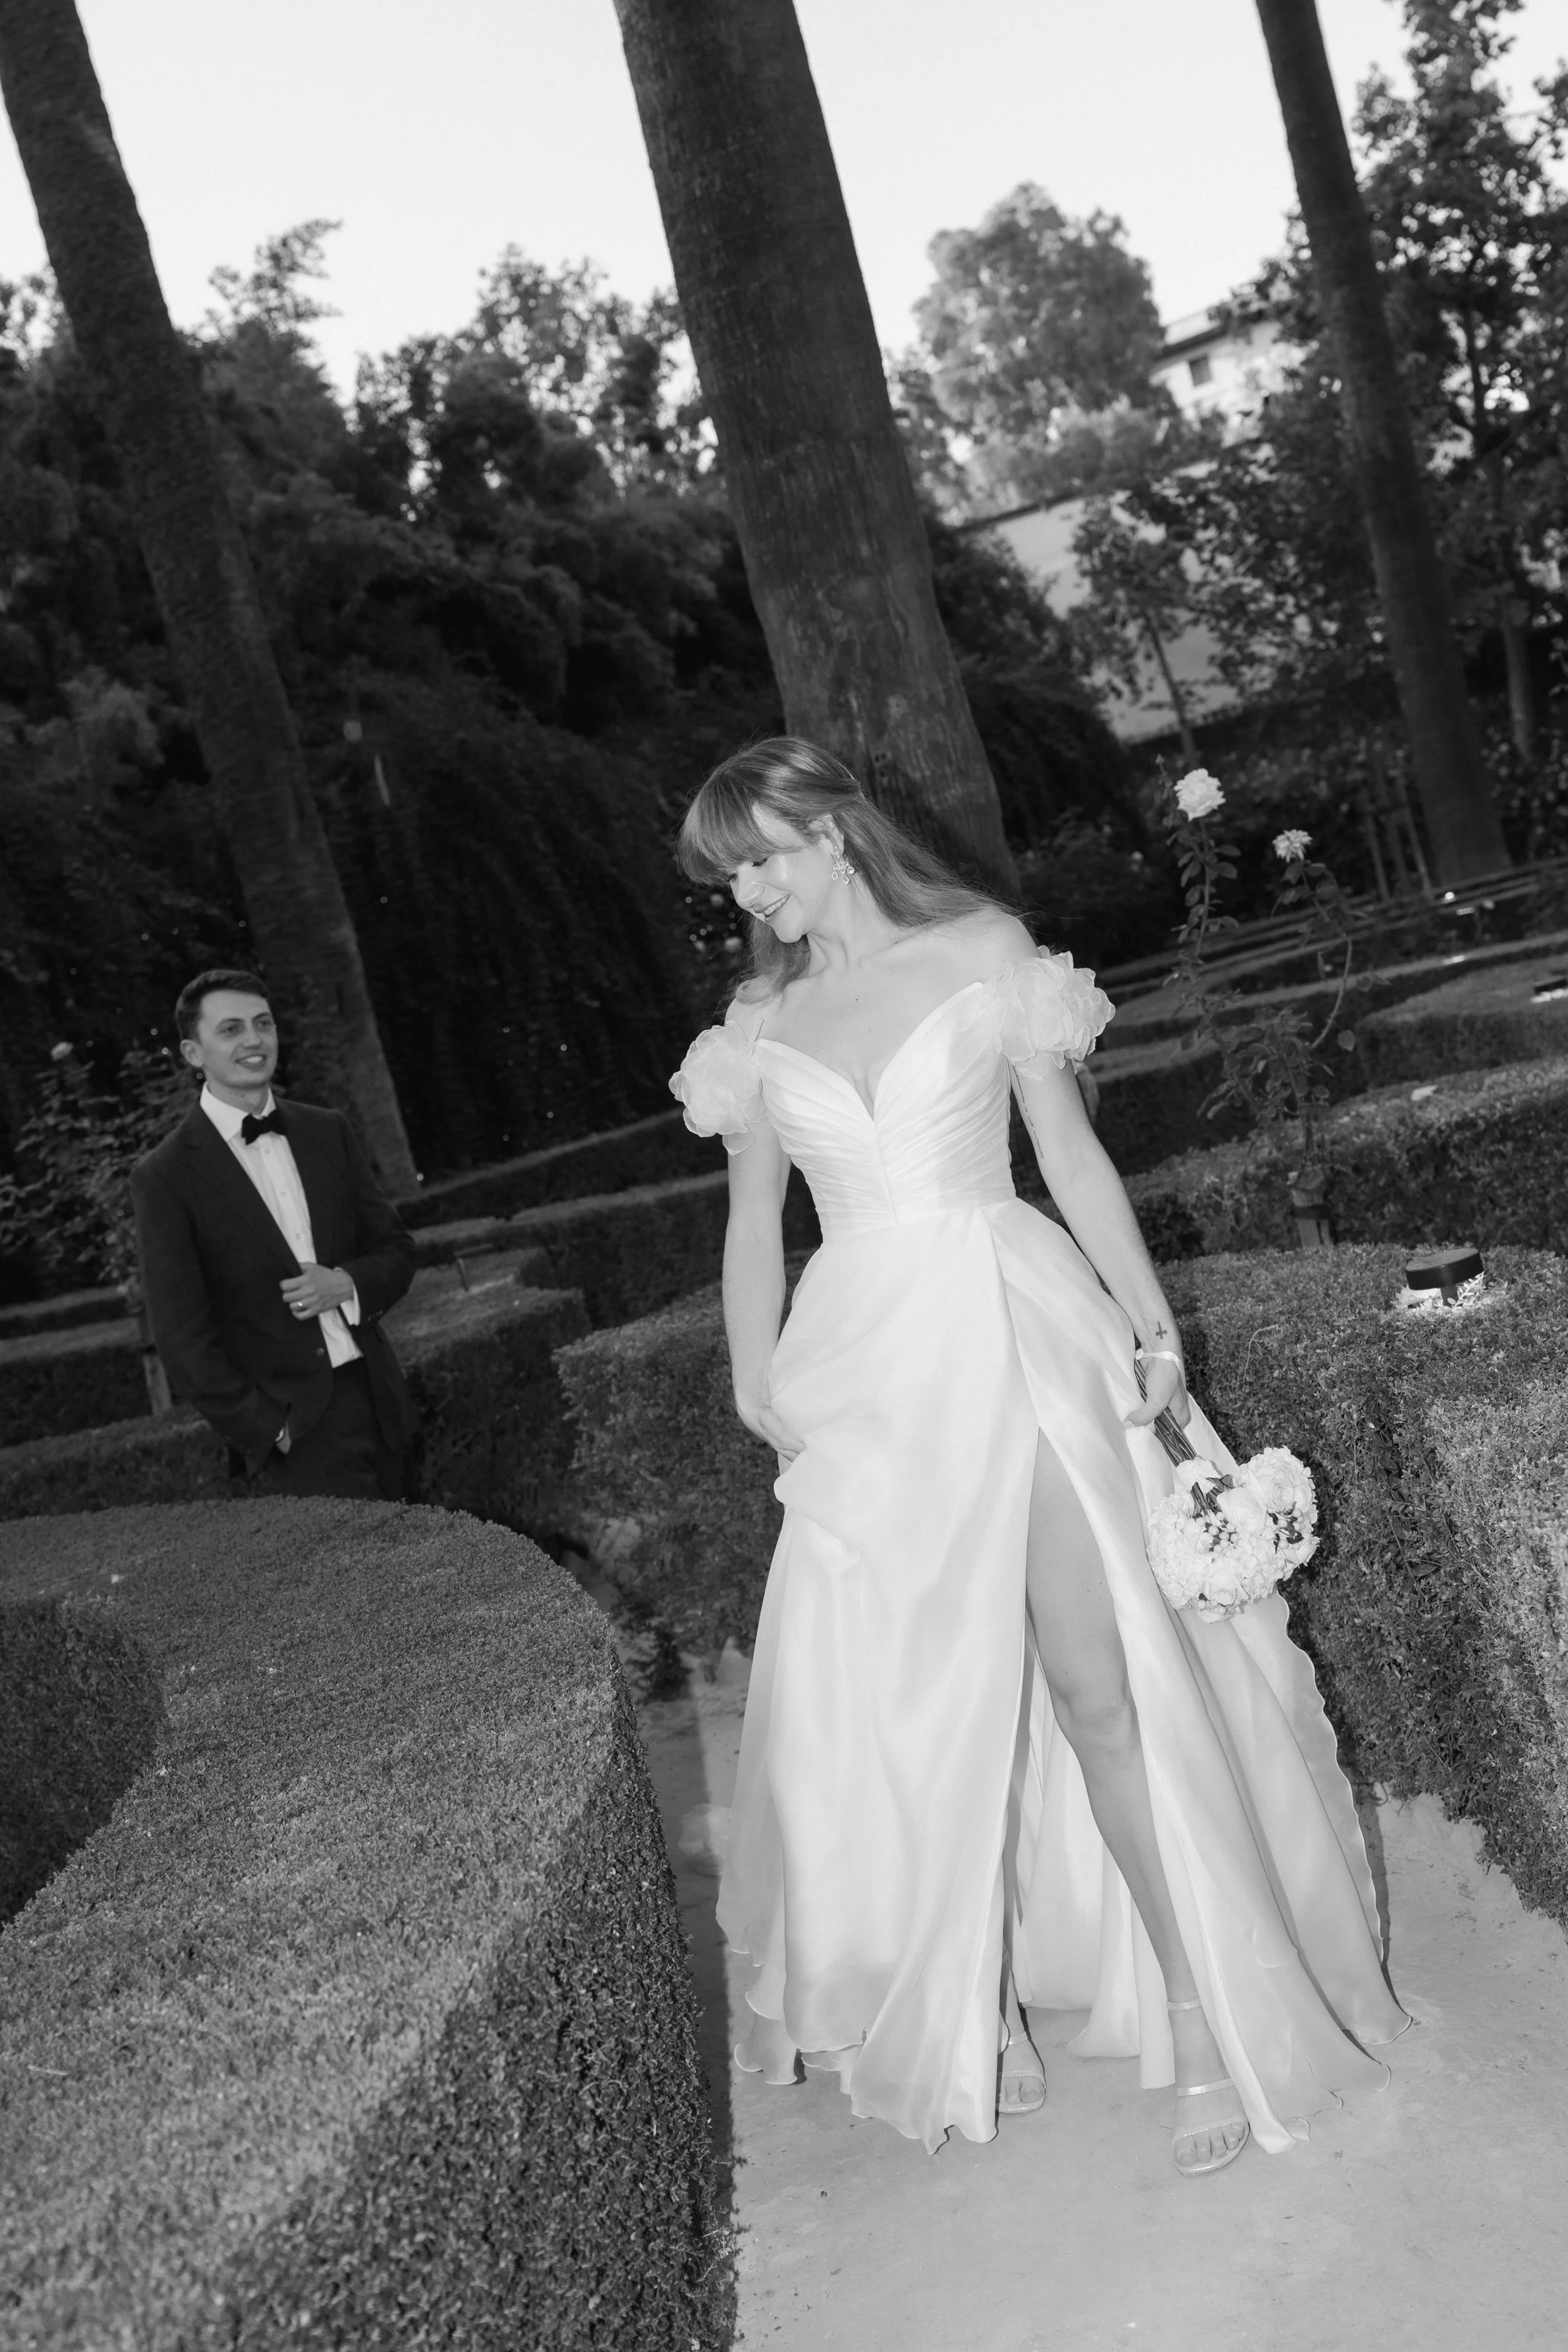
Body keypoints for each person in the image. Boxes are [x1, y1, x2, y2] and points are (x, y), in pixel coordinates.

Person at [669, 739, 1406, 2168]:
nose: (746, 889)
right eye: (729, 872)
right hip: (865, 1370)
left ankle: (1198, 2011)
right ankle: (961, 1999)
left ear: (830, 831)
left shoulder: (985, 950)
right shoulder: (758, 1019)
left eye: (758, 855)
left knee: (1096, 1686)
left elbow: (1067, 1154)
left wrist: (1147, 1319)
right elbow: (754, 1217)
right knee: (897, 1701)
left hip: (1014, 1321)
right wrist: (754, 1375)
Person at [131, 968, 418, 1498]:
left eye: (263, 1024)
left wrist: (346, 1284)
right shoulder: (165, 1177)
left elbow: (398, 1249)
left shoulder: (327, 1130)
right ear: (194, 1054)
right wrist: (270, 1430)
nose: (254, 1040)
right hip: (298, 1433)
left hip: (381, 1403)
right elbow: (181, 1338)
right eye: (232, 1029)